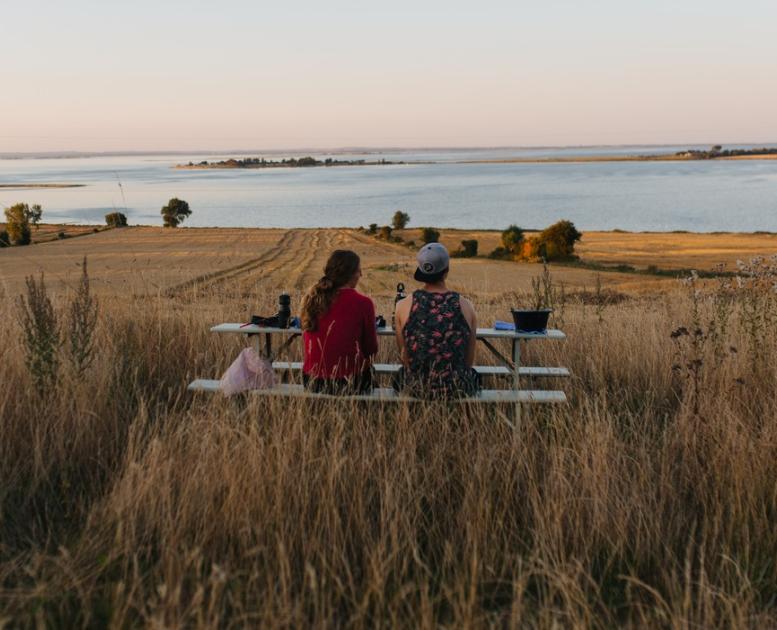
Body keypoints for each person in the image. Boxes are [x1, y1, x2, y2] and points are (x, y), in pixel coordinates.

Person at [393, 242, 480, 398]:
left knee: (398, 376)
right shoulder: (466, 306)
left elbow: (404, 357)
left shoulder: (402, 306)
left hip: (416, 387)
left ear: (421, 270)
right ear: (446, 271)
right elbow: (469, 361)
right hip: (457, 387)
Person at [301, 250, 378, 394]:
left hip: (311, 380)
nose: (361, 275)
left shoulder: (311, 299)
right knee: (371, 373)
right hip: (348, 382)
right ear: (351, 274)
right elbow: (371, 350)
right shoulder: (364, 303)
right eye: (359, 270)